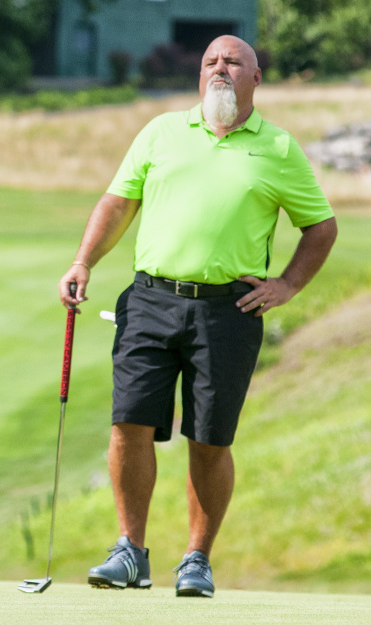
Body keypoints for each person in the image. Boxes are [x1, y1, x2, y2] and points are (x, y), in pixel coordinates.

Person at [59, 35, 336, 598]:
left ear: (255, 78)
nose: (219, 69)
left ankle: (196, 561)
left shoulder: (278, 148)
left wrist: (286, 284)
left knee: (209, 438)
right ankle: (131, 551)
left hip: (227, 310)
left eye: (233, 62)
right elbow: (118, 203)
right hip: (150, 301)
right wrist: (83, 261)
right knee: (128, 423)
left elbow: (321, 226)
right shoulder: (161, 131)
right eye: (211, 61)